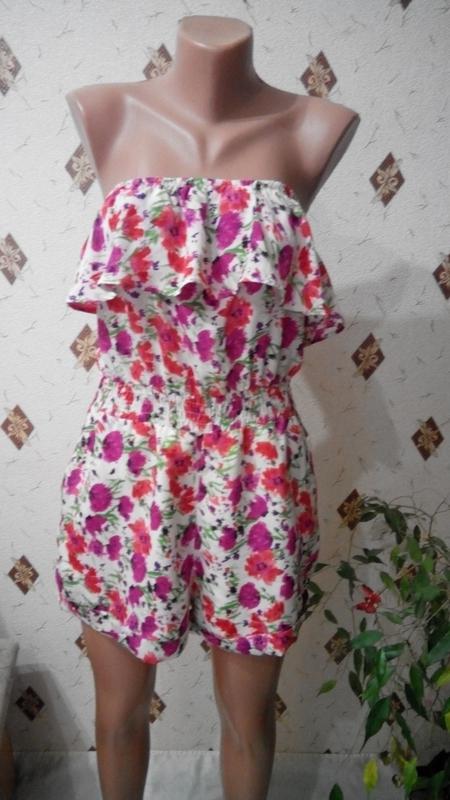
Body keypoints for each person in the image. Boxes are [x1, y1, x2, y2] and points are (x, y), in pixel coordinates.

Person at [57, 13, 358, 800]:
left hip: (255, 463)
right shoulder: (104, 110)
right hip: (128, 462)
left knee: (247, 720)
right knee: (120, 713)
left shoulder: (314, 127)